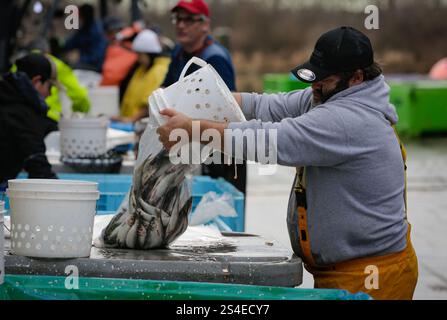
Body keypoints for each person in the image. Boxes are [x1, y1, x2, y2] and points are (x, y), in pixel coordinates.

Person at [156, 26, 419, 300]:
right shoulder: (328, 96)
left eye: (323, 80)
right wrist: (197, 100)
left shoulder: (349, 120)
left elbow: (270, 140)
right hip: (339, 272)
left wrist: (193, 129)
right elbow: (265, 107)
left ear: (356, 77)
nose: (313, 87)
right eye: (313, 77)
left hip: (372, 277)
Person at [162, 0, 246, 194]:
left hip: (219, 150)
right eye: (178, 19)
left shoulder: (215, 58)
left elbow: (227, 110)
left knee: (221, 208)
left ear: (205, 25)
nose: (181, 25)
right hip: (190, 139)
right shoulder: (178, 52)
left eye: (189, 19)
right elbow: (166, 87)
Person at [0, 53, 57, 190]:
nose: (50, 94)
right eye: (50, 86)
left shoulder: (7, 97)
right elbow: (39, 169)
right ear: (37, 81)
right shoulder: (24, 115)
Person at [23, 39, 91, 135]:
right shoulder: (55, 65)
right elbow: (79, 95)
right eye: (50, 87)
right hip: (49, 118)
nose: (49, 93)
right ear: (48, 50)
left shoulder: (18, 65)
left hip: (23, 118)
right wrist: (80, 112)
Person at [111, 30, 170, 123]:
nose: (138, 58)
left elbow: (150, 103)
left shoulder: (158, 71)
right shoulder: (143, 69)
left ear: (149, 54)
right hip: (131, 123)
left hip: (141, 125)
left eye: (140, 54)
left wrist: (131, 120)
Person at [62, 4, 107, 72]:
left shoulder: (97, 31)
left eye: (80, 15)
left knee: (67, 69)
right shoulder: (84, 29)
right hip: (85, 63)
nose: (78, 17)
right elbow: (72, 43)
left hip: (95, 67)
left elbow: (96, 57)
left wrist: (80, 58)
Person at [100, 17, 139, 87]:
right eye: (111, 32)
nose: (115, 35)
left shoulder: (131, 45)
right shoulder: (105, 47)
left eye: (119, 31)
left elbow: (111, 77)